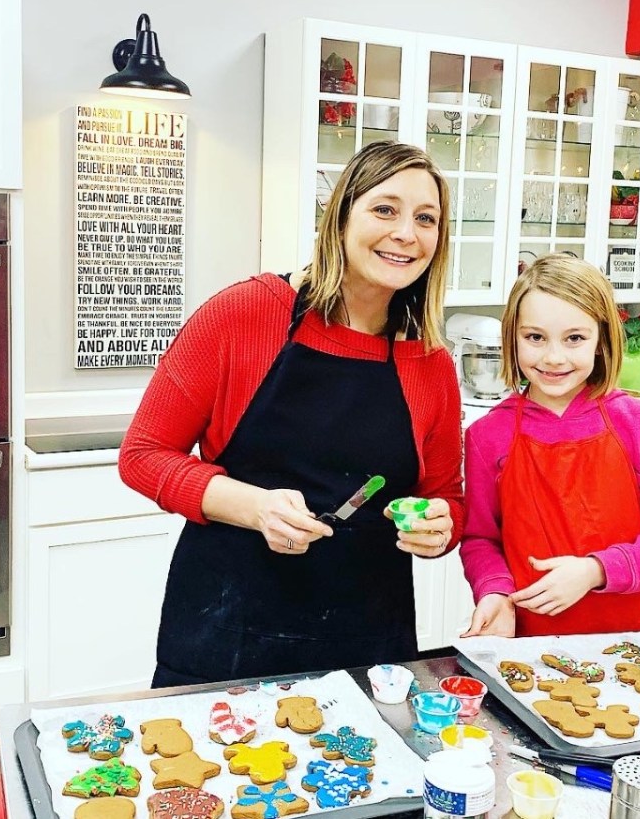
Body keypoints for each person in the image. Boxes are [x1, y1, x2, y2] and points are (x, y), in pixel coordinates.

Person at [119, 141, 465, 686]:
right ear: (340, 216)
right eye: (385, 209)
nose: (406, 233)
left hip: (368, 638)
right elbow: (142, 457)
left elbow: (447, 496)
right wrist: (255, 507)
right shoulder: (246, 314)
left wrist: (439, 527)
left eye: (427, 219)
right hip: (228, 630)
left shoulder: (431, 362)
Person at [460, 254, 640, 637]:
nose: (553, 357)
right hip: (528, 643)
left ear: (600, 340)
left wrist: (595, 571)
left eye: (574, 338)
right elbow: (480, 540)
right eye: (535, 337)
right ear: (513, 338)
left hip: (630, 642)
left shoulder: (639, 423)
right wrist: (494, 591)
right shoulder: (487, 435)